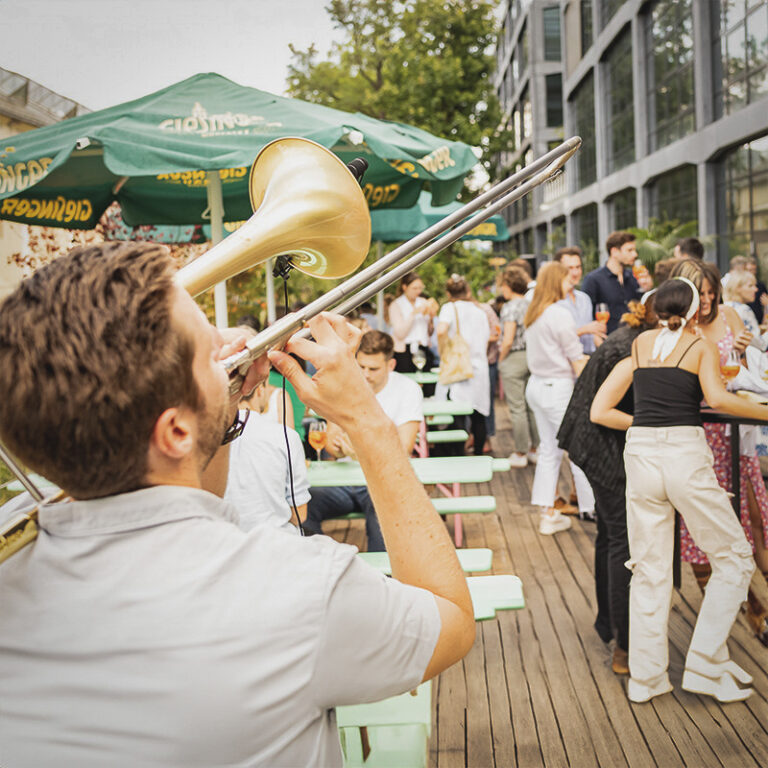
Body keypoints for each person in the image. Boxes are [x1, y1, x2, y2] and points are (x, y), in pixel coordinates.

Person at [0, 243, 474, 767]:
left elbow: (176, 495)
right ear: (175, 430)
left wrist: (216, 415)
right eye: (210, 348)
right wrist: (366, 419)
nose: (233, 347)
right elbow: (450, 620)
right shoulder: (298, 588)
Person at [590, 277, 759, 703]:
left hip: (641, 456)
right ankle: (704, 662)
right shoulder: (697, 346)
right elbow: (717, 399)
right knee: (735, 559)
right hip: (683, 454)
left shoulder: (640, 346)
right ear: (691, 310)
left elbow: (602, 409)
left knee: (649, 570)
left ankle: (646, 680)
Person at [557, 296, 657, 675]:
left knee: (609, 536)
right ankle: (624, 645)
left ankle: (608, 625)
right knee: (623, 540)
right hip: (599, 445)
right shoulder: (633, 347)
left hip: (587, 439)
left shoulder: (632, 333)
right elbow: (605, 412)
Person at [671, 258, 768, 646]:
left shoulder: (730, 315)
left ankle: (757, 607)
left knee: (756, 520)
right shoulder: (678, 327)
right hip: (700, 438)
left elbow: (748, 370)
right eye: (702, 293)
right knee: (706, 530)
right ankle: (748, 609)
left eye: (712, 292)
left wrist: (745, 351)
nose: (708, 300)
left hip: (737, 432)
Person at [304, 330, 423, 551]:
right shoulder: (342, 387)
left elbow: (404, 448)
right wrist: (342, 450)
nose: (366, 374)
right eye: (361, 366)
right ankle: (322, 565)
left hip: (382, 480)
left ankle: (384, 578)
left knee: (383, 507)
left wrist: (357, 451)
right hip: (343, 481)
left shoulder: (408, 390)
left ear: (391, 365)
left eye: (373, 368)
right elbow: (331, 444)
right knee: (301, 503)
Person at [523, 261, 595, 533]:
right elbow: (576, 359)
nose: (571, 283)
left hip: (537, 386)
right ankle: (592, 508)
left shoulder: (534, 312)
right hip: (558, 387)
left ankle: (548, 511)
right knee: (579, 449)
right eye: (567, 279)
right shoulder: (559, 314)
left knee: (549, 451)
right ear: (556, 282)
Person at [225, 408, 310, 534]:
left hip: (221, 544)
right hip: (279, 544)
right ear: (259, 390)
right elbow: (300, 515)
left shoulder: (197, 435)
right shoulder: (285, 435)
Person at [436, 275, 491, 457]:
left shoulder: (449, 308)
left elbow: (441, 330)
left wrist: (443, 350)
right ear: (467, 291)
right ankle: (478, 454)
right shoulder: (479, 311)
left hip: (459, 367)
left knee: (458, 413)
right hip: (479, 367)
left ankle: (458, 456)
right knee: (479, 415)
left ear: (448, 293)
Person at [498, 266, 539, 468]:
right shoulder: (530, 304)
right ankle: (535, 449)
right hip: (530, 356)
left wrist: (501, 359)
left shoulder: (510, 307)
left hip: (514, 357)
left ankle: (521, 451)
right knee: (531, 405)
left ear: (508, 285)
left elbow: (508, 339)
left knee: (517, 407)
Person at [582, 231, 642, 333]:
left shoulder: (633, 277)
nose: (635, 254)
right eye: (629, 250)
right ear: (614, 251)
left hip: (635, 339)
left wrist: (646, 288)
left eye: (634, 250)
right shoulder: (593, 279)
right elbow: (586, 316)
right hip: (609, 343)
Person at [554, 245, 607, 353]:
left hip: (588, 358)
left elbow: (591, 336)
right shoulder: (552, 300)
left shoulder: (584, 298)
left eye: (578, 267)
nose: (575, 273)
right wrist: (584, 330)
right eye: (570, 268)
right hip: (565, 361)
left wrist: (605, 351)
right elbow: (554, 338)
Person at [388, 271, 438, 373]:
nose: (418, 291)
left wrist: (431, 319)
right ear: (405, 287)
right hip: (404, 351)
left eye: (420, 288)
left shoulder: (423, 302)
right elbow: (400, 333)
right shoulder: (396, 305)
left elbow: (430, 333)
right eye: (415, 288)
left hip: (423, 349)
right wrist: (413, 314)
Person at [723, 270, 768, 350]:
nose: (756, 289)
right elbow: (761, 344)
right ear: (737, 288)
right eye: (750, 286)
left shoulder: (724, 307)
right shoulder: (744, 310)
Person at [745, 256, 768, 324]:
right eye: (749, 270)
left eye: (753, 269)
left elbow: (765, 303)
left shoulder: (761, 286)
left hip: (758, 322)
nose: (752, 272)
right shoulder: (740, 286)